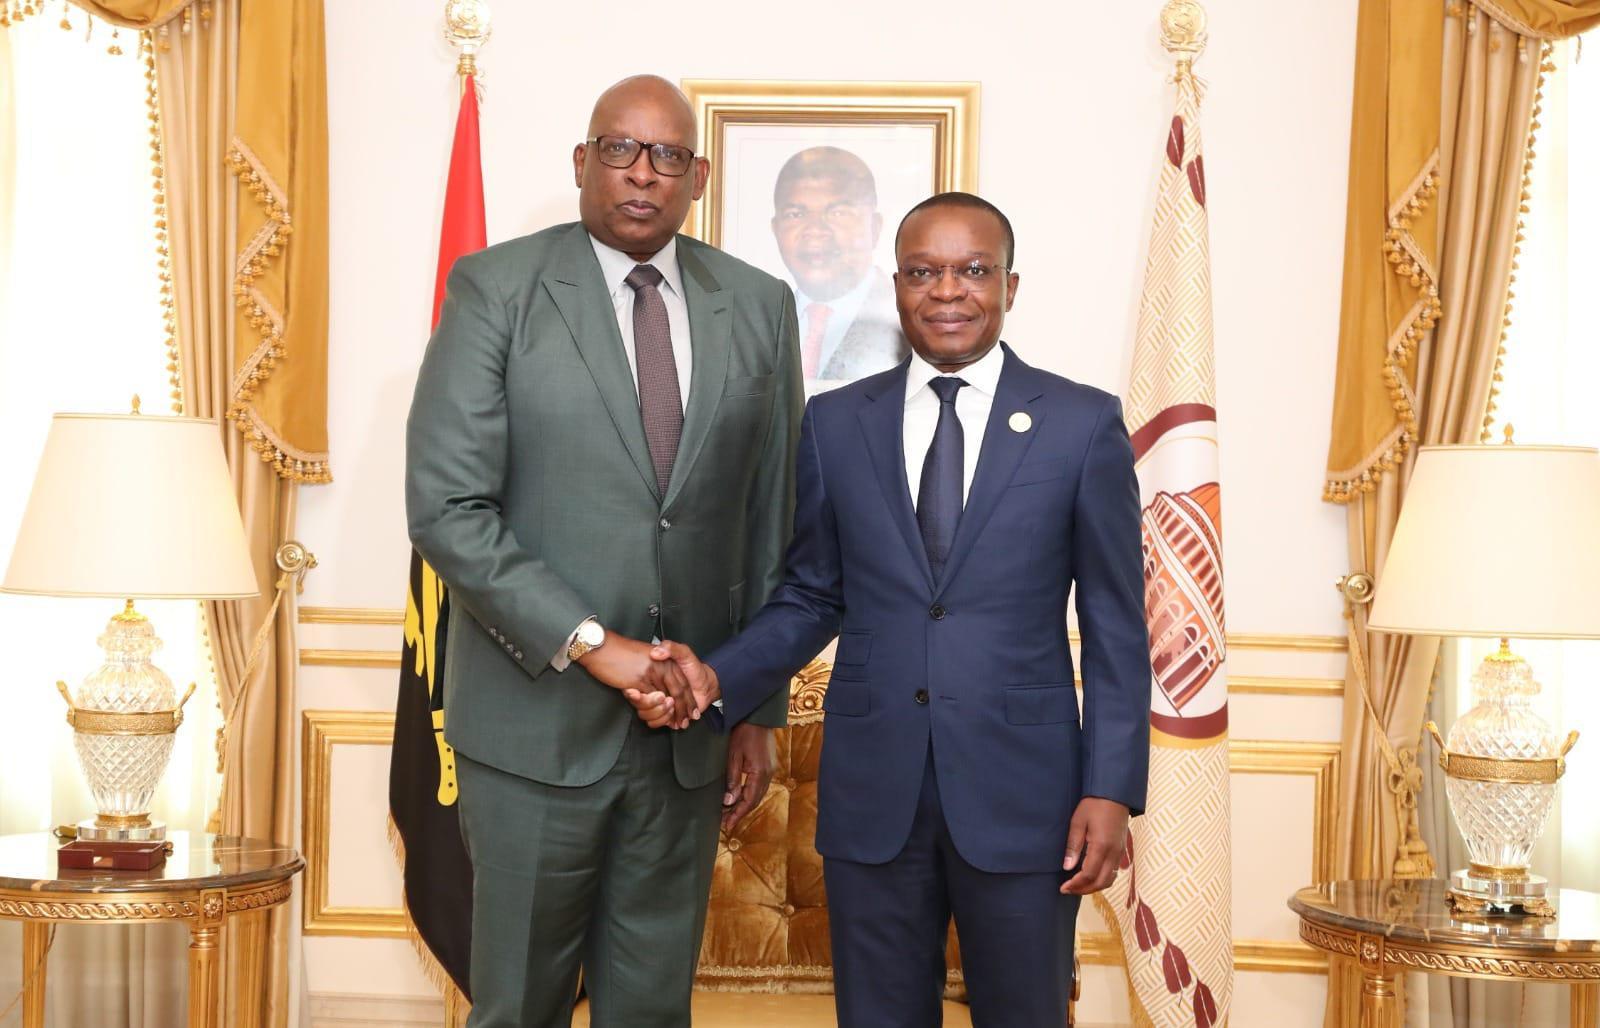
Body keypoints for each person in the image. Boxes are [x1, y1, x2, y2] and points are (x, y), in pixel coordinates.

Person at [628, 193, 1151, 1027]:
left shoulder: (1081, 424)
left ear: (1010, 286)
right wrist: (715, 680)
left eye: (973, 270)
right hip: (874, 794)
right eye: (922, 272)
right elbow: (812, 594)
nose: (948, 291)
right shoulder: (837, 422)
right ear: (897, 285)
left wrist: (1112, 789)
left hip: (1029, 796)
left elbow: (1118, 627)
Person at [405, 74, 803, 1028]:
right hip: (533, 728)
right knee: (520, 1008)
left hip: (687, 738)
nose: (642, 173)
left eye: (668, 155)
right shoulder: (496, 288)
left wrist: (752, 706)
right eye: (620, 149)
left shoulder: (759, 304)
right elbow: (449, 510)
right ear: (583, 161)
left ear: (698, 177)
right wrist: (596, 645)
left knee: (653, 1011)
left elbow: (773, 518)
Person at [770, 146, 907, 384]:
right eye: (795, 214)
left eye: (838, 213)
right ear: (776, 229)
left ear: (874, 227)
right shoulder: (758, 321)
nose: (815, 230)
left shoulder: (909, 321)